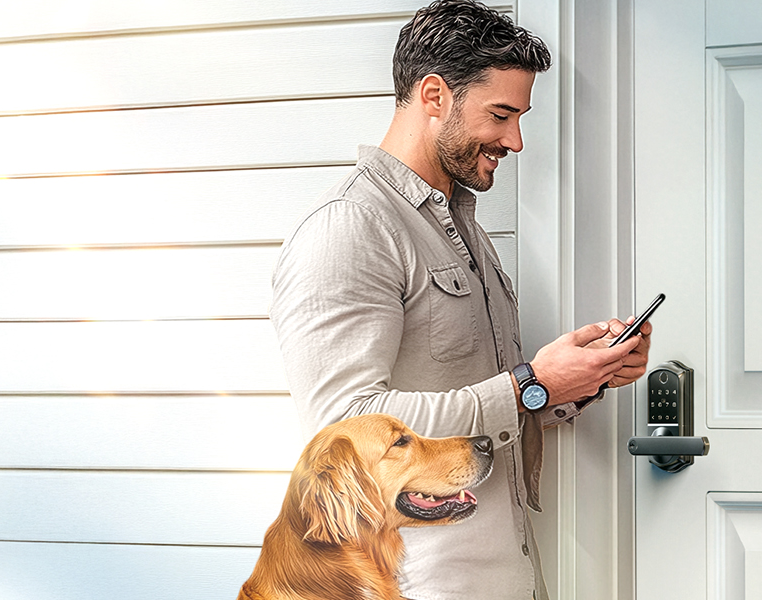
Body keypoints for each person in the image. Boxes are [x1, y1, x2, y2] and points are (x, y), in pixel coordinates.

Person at [269, 1, 651, 598]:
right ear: (433, 96)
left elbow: (487, 394)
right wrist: (532, 382)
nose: (516, 141)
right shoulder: (352, 228)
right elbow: (343, 427)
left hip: (504, 571)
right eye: (501, 115)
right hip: (421, 582)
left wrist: (578, 379)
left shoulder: (461, 223)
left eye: (519, 117)